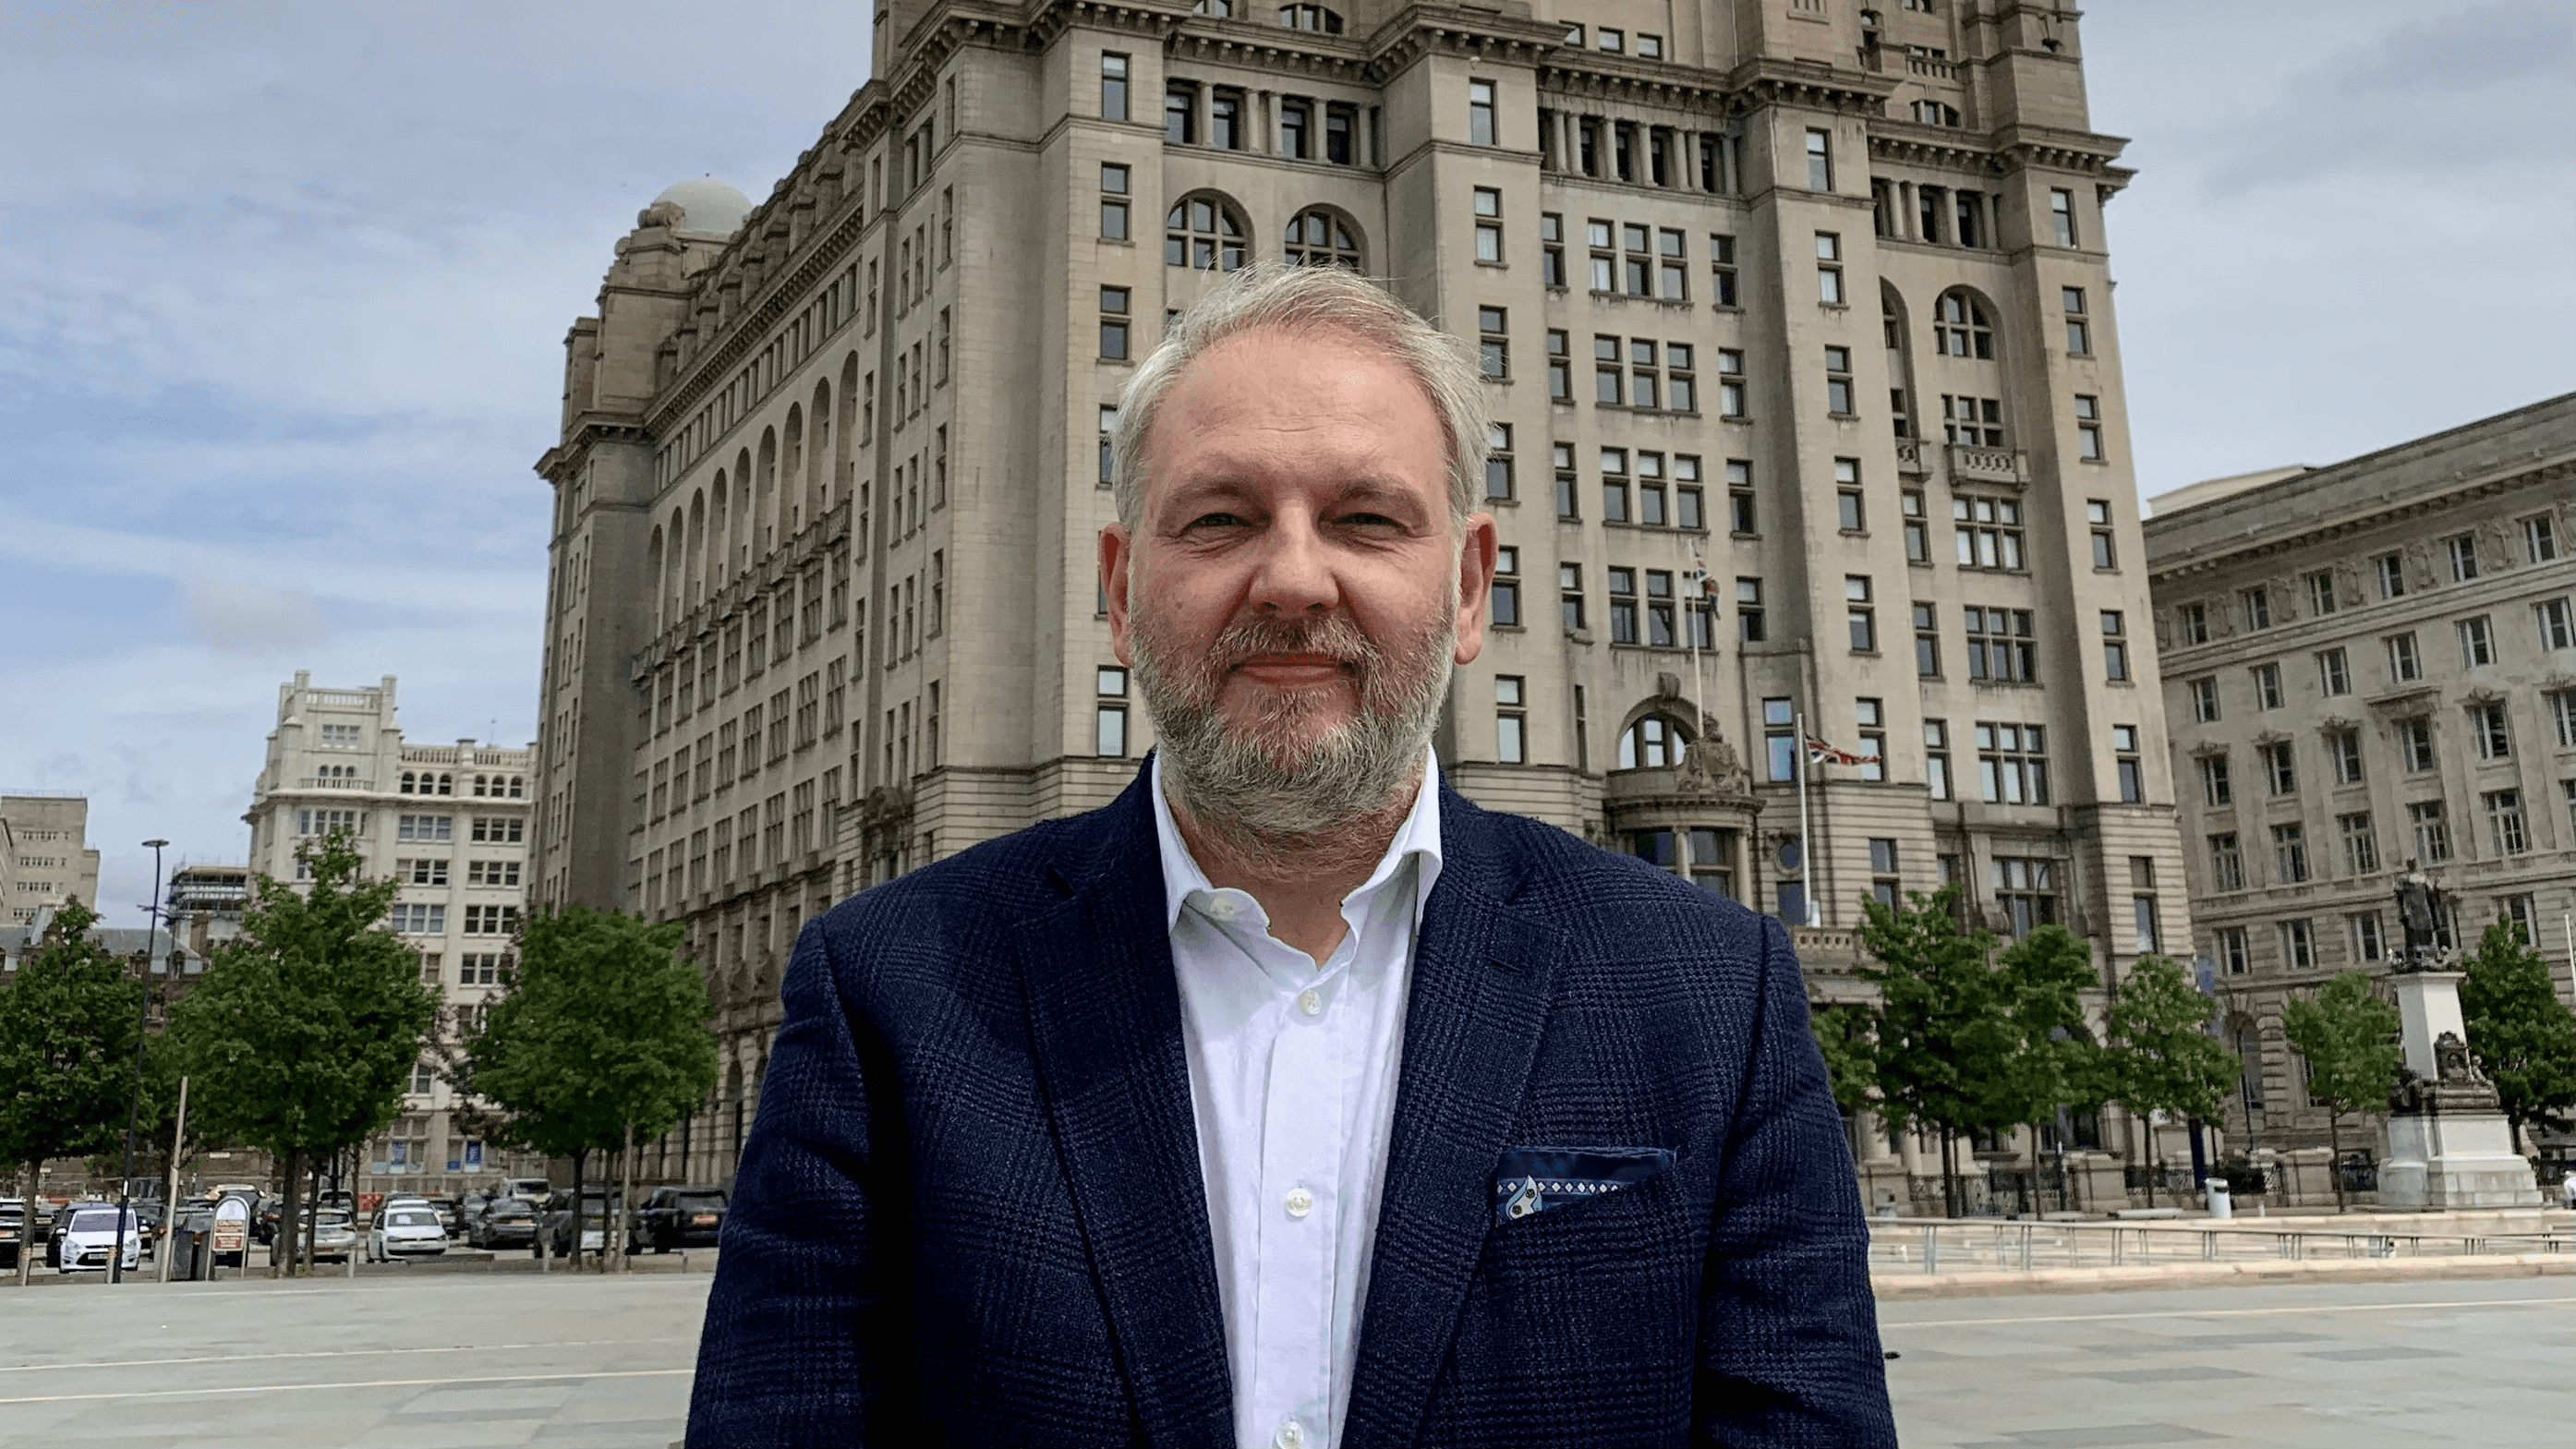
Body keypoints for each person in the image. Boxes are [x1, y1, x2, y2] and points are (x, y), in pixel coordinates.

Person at [686, 264, 1895, 1447]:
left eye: (1366, 520)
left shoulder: (1713, 991)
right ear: (1122, 592)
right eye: (1221, 520)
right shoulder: (890, 992)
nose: (1294, 580)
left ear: (1469, 591)